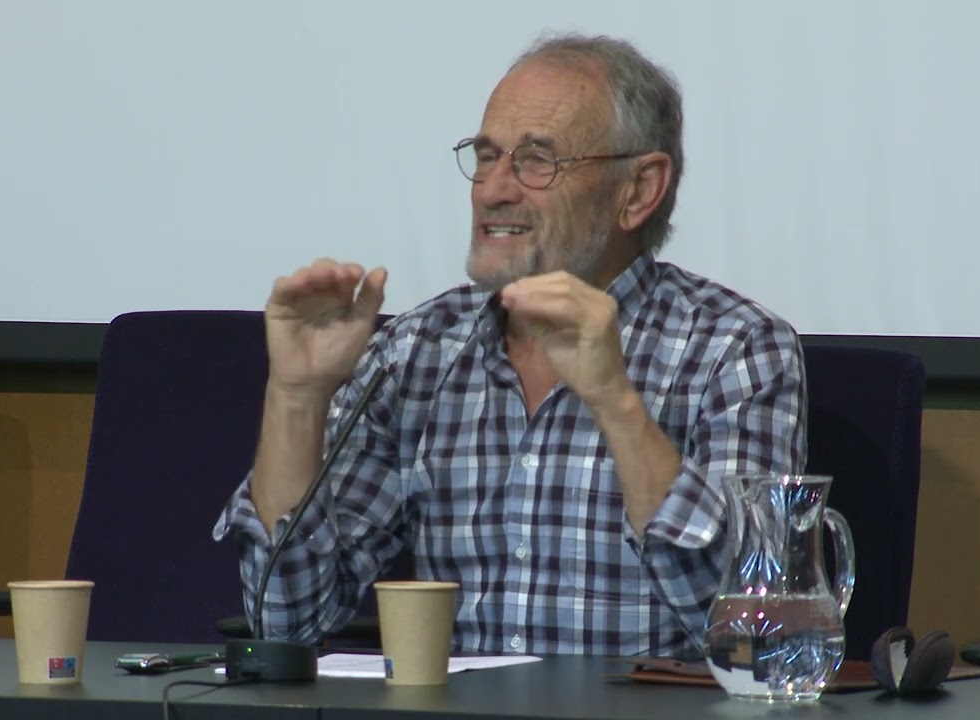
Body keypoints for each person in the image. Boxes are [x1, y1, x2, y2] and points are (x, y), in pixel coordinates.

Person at [213, 33, 806, 657]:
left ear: (638, 190)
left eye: (536, 160)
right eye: (487, 156)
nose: (492, 189)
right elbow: (285, 619)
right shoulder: (415, 351)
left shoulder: (736, 349)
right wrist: (297, 397)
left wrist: (615, 401)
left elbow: (753, 624)